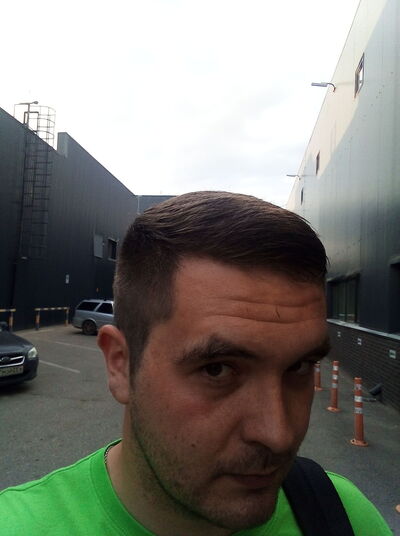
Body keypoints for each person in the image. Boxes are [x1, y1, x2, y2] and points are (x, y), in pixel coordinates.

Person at [0, 191, 392, 535]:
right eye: (217, 369)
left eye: (300, 367)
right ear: (120, 364)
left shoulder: (343, 517)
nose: (278, 435)